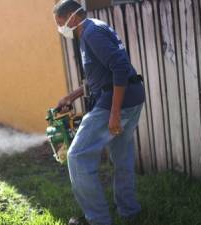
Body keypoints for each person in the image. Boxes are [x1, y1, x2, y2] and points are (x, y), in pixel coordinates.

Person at [53, 1, 146, 225]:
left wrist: (114, 113)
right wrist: (72, 96)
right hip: (131, 98)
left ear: (71, 17)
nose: (60, 28)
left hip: (117, 104)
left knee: (77, 156)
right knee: (122, 156)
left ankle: (97, 220)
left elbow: (120, 68)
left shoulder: (91, 34)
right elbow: (102, 76)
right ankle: (129, 211)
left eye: (59, 22)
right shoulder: (95, 28)